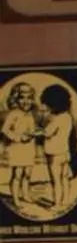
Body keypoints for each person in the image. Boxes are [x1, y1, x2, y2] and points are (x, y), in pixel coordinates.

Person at [37, 82, 75, 214]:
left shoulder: (56, 119)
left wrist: (35, 131)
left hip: (54, 154)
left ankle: (57, 204)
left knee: (56, 180)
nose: (45, 107)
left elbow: (47, 133)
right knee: (64, 178)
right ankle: (66, 201)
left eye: (47, 104)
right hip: (65, 152)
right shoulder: (68, 117)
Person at [1, 80, 38, 210]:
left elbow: (30, 129)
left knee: (27, 173)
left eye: (29, 98)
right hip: (17, 148)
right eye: (22, 98)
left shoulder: (30, 115)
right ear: (16, 99)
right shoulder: (13, 114)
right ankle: (16, 198)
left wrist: (34, 133)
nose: (26, 101)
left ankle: (26, 195)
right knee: (17, 174)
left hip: (28, 148)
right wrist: (18, 137)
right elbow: (5, 130)